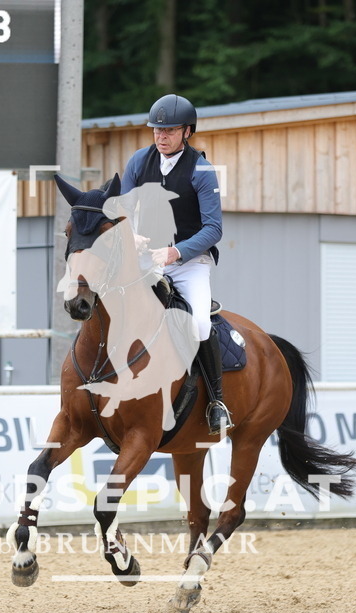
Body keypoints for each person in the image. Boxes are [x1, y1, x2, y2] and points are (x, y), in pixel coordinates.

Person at [120, 93, 232, 435]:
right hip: (146, 259)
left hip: (189, 262)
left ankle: (215, 402)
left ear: (187, 132)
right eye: (157, 129)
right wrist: (130, 233)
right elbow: (121, 207)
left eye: (169, 130)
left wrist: (176, 252)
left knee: (198, 324)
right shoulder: (140, 161)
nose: (161, 136)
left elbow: (214, 229)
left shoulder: (201, 170)